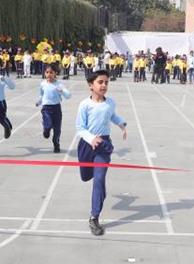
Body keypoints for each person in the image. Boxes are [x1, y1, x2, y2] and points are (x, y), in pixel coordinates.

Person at [76, 70, 128, 236]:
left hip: (103, 146)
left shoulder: (110, 102)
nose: (104, 85)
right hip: (86, 145)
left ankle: (94, 217)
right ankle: (100, 192)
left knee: (99, 179)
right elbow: (80, 128)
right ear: (91, 85)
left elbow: (112, 116)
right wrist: (91, 139)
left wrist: (121, 124)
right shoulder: (85, 105)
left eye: (106, 82)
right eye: (100, 82)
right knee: (86, 177)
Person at [36, 65, 71, 153]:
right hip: (46, 108)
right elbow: (41, 95)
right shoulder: (43, 84)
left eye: (51, 72)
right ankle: (46, 130)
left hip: (56, 108)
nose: (49, 74)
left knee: (57, 129)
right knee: (48, 124)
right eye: (47, 72)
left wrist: (62, 91)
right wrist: (39, 102)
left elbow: (68, 95)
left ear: (55, 73)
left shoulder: (59, 84)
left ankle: (56, 143)